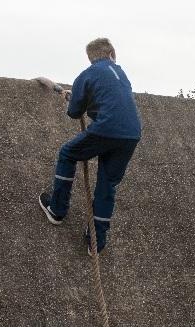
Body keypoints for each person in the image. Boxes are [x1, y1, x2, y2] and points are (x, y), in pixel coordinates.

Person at [39, 37, 141, 255]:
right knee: (107, 183)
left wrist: (72, 98)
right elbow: (109, 104)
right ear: (112, 53)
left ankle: (57, 209)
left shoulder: (87, 75)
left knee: (67, 153)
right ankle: (96, 240)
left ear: (90, 58)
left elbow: (75, 112)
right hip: (131, 134)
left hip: (107, 129)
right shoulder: (121, 74)